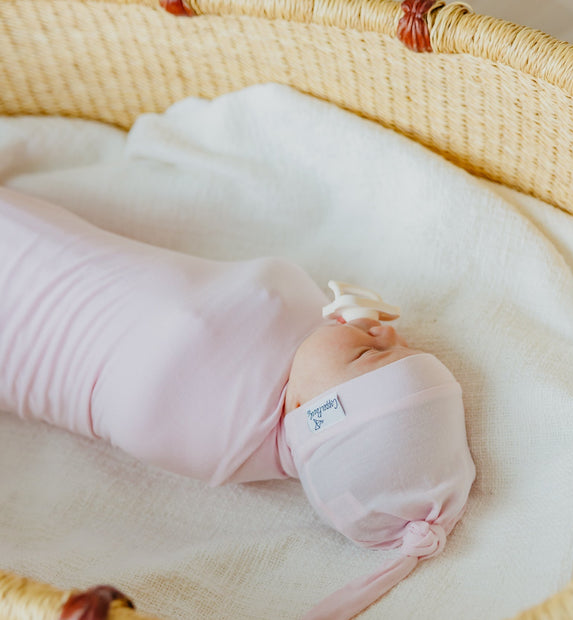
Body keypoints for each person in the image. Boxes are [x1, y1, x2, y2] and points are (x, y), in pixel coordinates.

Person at [0, 186, 475, 619]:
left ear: (317, 416)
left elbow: (189, 337)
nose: (387, 330)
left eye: (370, 353)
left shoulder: (224, 429)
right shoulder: (299, 388)